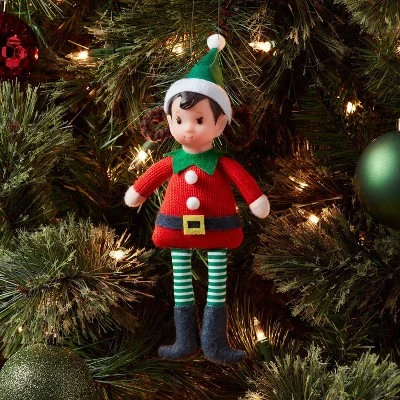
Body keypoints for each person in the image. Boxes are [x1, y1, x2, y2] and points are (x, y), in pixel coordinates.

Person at [124, 34, 270, 365]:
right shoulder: (171, 161)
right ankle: (184, 341)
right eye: (180, 120)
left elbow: (246, 184)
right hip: (177, 229)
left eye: (199, 120)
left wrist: (256, 200)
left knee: (217, 284)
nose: (188, 128)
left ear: (221, 123)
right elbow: (148, 180)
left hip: (217, 229)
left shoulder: (223, 163)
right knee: (181, 283)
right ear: (169, 121)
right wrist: (137, 192)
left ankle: (215, 343)